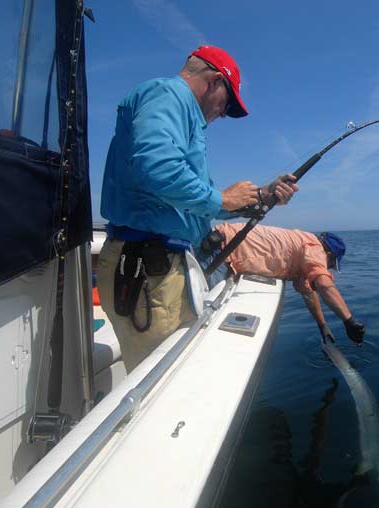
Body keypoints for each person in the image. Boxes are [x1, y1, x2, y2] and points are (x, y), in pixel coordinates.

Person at [96, 45, 298, 371]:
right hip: (150, 270)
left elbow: (191, 202)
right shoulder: (169, 95)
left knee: (169, 374)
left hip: (157, 269)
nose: (222, 114)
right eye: (226, 104)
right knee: (161, 382)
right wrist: (223, 199)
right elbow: (158, 169)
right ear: (214, 81)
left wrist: (262, 196)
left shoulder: (182, 113)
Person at [212, 223, 366, 345]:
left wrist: (322, 326)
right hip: (220, 249)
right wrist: (349, 321)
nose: (328, 267)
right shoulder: (315, 249)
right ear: (328, 255)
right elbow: (324, 285)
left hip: (223, 245)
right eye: (331, 264)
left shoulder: (303, 249)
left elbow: (308, 292)